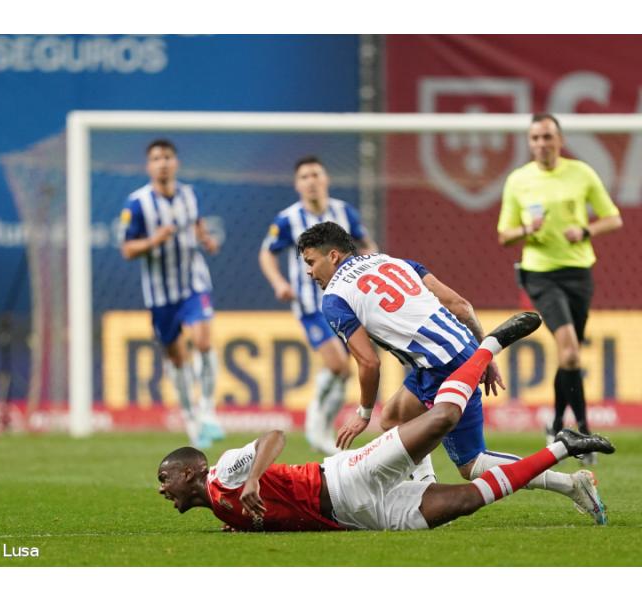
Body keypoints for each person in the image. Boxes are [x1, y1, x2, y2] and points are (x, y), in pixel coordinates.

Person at [157, 311, 616, 532]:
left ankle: (489, 344)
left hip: (345, 480)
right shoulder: (220, 504)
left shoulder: (222, 473)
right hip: (363, 517)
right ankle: (565, 446)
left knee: (441, 419)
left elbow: (272, 438)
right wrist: (240, 518)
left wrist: (254, 479)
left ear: (189, 471)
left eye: (164, 478)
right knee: (467, 501)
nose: (162, 488)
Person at [295, 221, 608, 525]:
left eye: (311, 261)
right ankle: (425, 488)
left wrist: (363, 413)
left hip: (441, 367)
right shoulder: (392, 261)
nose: (309, 271)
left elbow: (368, 363)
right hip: (458, 353)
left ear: (333, 255)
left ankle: (569, 484)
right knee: (393, 419)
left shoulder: (334, 297)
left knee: (472, 465)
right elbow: (461, 306)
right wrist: (484, 354)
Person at [498, 113, 623, 464]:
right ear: (529, 142)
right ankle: (581, 430)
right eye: (535, 138)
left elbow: (613, 217)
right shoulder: (518, 180)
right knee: (569, 352)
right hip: (540, 274)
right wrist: (526, 229)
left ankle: (555, 425)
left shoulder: (580, 173)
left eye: (547, 137)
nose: (542, 143)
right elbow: (504, 235)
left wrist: (585, 232)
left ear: (559, 139)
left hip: (579, 270)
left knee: (569, 355)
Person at [259, 156, 377, 455]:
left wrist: (370, 269)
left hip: (346, 302)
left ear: (326, 179)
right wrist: (279, 283)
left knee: (345, 370)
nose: (311, 181)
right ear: (297, 185)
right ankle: (316, 421)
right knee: (338, 363)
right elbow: (266, 254)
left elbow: (367, 244)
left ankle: (323, 427)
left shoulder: (343, 212)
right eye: (304, 176)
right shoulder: (288, 219)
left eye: (315, 174)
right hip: (310, 305)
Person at [120, 139, 224, 449]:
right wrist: (154, 240)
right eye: (156, 158)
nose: (162, 162)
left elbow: (197, 222)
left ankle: (207, 410)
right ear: (148, 166)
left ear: (175, 162)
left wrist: (205, 238)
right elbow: (127, 249)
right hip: (161, 295)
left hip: (194, 282)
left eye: (167, 157)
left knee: (204, 341)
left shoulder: (190, 194)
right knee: (178, 359)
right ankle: (191, 417)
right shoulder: (137, 204)